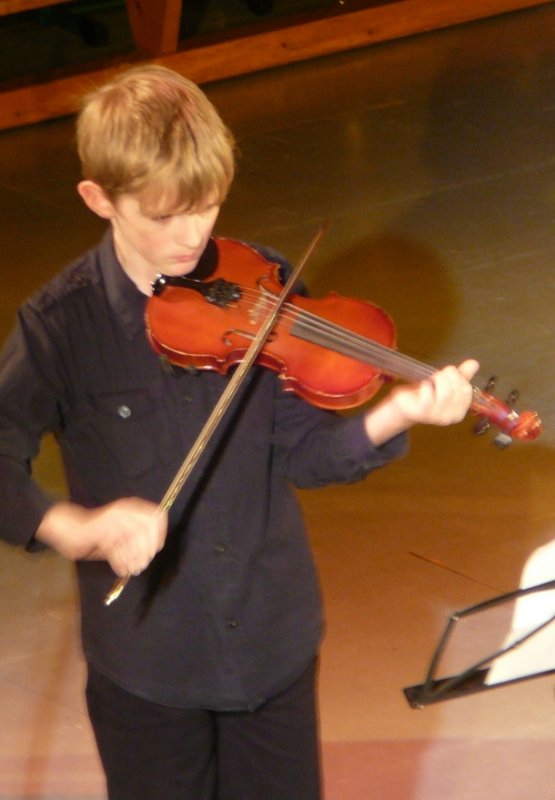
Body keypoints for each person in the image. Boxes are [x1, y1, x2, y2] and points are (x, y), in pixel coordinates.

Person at [0, 65, 478, 800]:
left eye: (207, 207)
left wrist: (398, 413)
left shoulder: (261, 281)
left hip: (270, 642)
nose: (192, 236)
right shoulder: (61, 326)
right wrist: (79, 529)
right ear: (99, 199)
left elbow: (308, 453)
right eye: (163, 216)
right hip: (150, 669)